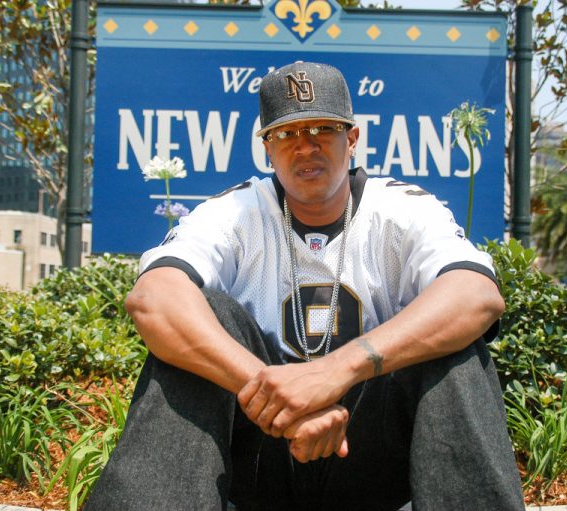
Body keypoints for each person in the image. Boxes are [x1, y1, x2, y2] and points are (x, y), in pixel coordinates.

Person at [85, 61, 525, 511]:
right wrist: (282, 399)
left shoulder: (403, 210)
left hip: (370, 456)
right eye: (287, 133)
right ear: (267, 149)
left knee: (448, 337)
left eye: (322, 129)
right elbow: (154, 299)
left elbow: (476, 294)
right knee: (204, 313)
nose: (305, 146)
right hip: (261, 457)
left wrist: (335, 371)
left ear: (351, 139)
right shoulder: (234, 212)